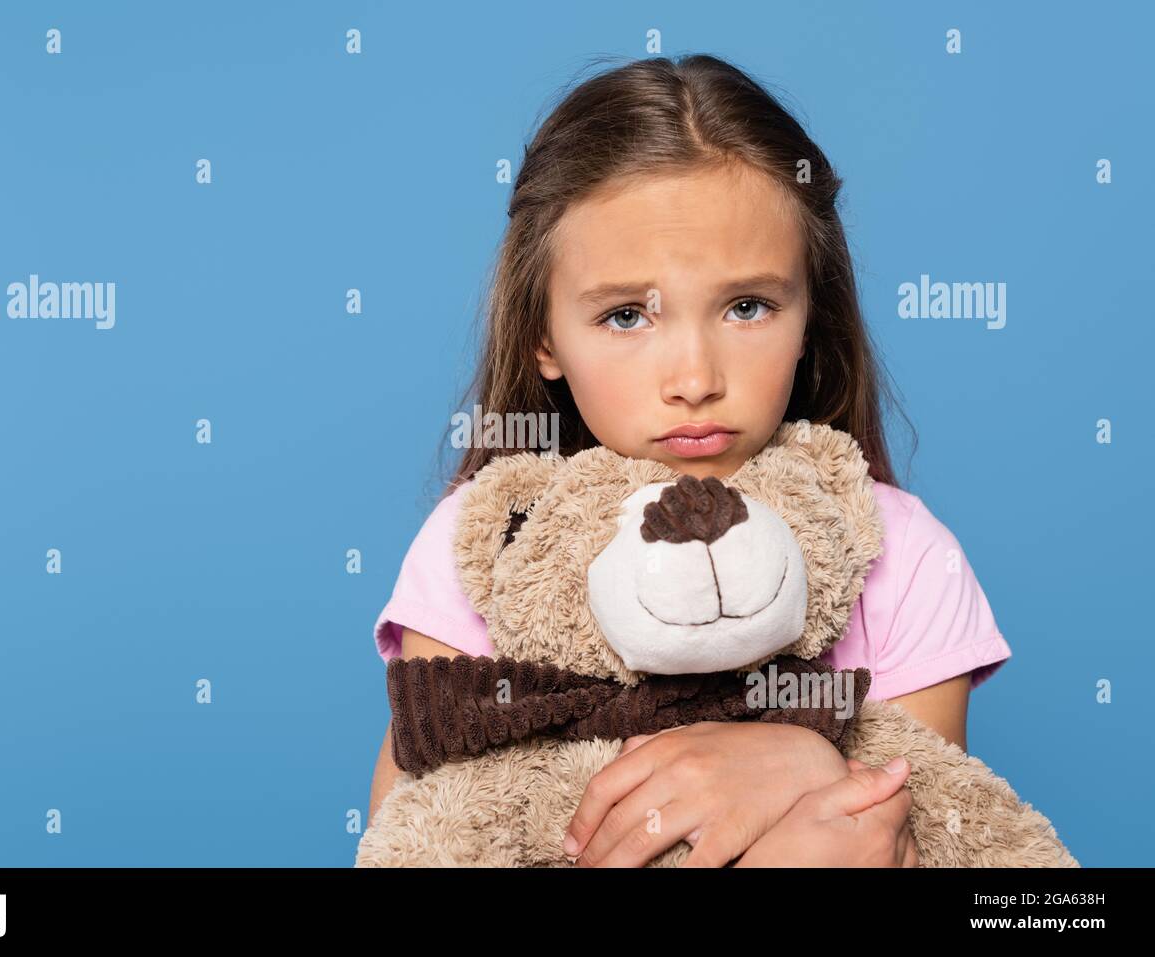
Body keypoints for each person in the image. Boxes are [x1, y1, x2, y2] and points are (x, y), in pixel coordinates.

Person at [368, 54, 1010, 867]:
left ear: (811, 314)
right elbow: (418, 836)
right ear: (543, 337)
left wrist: (807, 760)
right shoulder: (481, 547)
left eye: (748, 306)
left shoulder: (902, 554)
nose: (697, 380)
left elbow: (941, 834)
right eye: (627, 315)